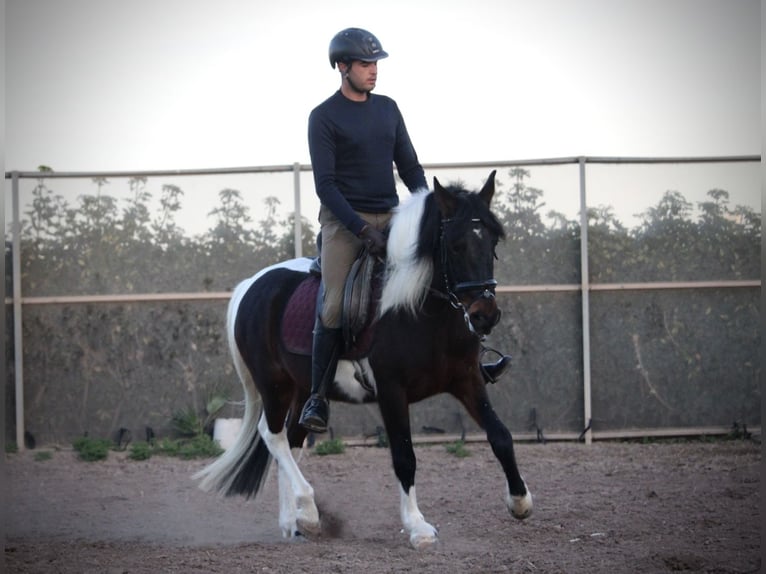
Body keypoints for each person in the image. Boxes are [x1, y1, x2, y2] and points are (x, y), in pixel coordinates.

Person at [299, 27, 510, 434]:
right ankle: (317, 396)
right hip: (344, 222)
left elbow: (410, 167)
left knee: (442, 274)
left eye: (376, 63)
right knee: (335, 304)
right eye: (365, 64)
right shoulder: (323, 117)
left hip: (392, 213)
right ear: (342, 67)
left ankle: (472, 363)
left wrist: (430, 208)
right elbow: (326, 185)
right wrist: (362, 230)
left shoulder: (389, 109)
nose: (373, 71)